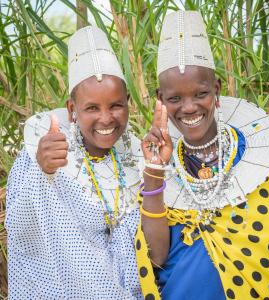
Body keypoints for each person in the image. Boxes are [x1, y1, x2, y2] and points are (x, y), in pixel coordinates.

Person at [136, 10, 269, 300]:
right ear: (161, 99)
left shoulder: (264, 162)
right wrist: (154, 171)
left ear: (216, 90)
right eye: (175, 98)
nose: (188, 108)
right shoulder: (160, 165)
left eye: (200, 94)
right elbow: (157, 257)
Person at [6, 25, 143, 299]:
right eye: (92, 108)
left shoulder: (137, 156)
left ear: (128, 103)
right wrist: (41, 171)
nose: (106, 119)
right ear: (72, 110)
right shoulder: (44, 151)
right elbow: (21, 231)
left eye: (116, 105)